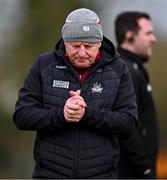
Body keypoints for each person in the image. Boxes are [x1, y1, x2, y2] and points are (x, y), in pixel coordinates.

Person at [13, 8, 138, 179]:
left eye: (88, 46)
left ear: (99, 43)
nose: (81, 52)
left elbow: (129, 122)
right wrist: (61, 115)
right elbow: (22, 115)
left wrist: (87, 114)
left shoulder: (118, 69)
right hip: (49, 175)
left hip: (102, 176)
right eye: (75, 45)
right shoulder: (43, 64)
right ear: (65, 42)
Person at [114, 11, 160, 179]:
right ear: (130, 36)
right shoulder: (126, 71)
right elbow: (128, 128)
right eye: (148, 33)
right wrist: (145, 169)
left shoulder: (132, 68)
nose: (153, 39)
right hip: (132, 173)